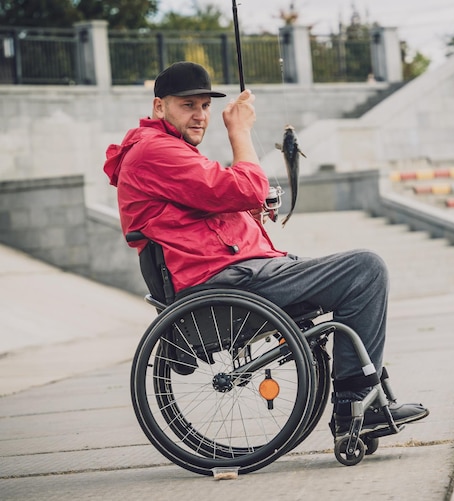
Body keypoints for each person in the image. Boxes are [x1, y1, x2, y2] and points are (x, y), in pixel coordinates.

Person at [103, 61, 428, 436]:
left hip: (235, 272)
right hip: (224, 282)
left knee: (358, 275)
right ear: (159, 107)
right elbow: (244, 187)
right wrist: (239, 132)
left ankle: (358, 401)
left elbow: (217, 208)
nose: (200, 116)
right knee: (365, 270)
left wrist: (247, 211)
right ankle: (355, 403)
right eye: (188, 105)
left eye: (205, 106)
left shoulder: (166, 150)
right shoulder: (155, 151)